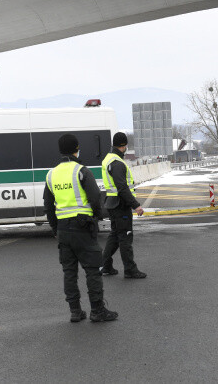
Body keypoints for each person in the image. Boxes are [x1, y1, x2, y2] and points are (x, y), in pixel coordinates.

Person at [44, 133, 118, 323]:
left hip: (63, 229)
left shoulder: (51, 174)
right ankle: (97, 310)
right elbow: (95, 198)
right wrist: (95, 217)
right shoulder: (81, 171)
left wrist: (55, 229)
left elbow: (48, 205)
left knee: (69, 272)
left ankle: (75, 312)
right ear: (77, 149)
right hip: (82, 227)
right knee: (93, 269)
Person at [100, 132, 147, 279]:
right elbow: (122, 187)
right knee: (125, 237)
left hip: (112, 204)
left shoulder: (108, 159)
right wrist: (136, 205)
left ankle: (105, 266)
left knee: (115, 236)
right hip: (121, 205)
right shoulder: (117, 163)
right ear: (124, 145)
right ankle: (130, 269)